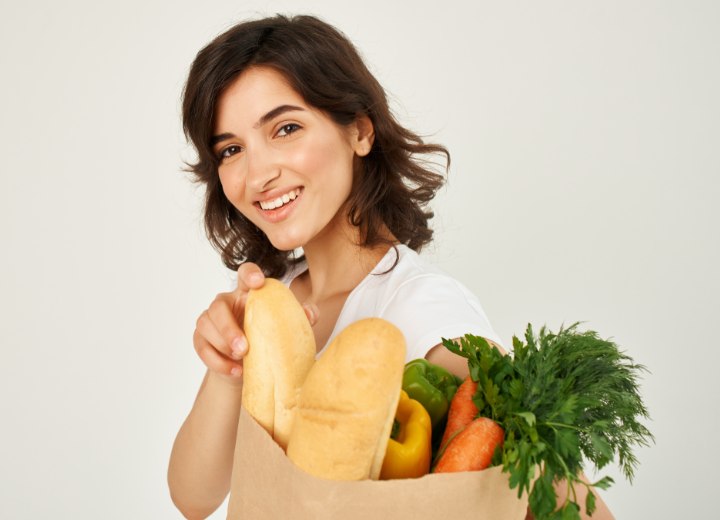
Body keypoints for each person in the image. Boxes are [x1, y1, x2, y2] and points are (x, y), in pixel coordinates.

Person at [167, 14, 613, 520]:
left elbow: (573, 502)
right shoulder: (275, 299)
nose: (258, 174)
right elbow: (194, 497)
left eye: (286, 128)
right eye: (231, 149)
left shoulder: (422, 307)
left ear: (359, 131)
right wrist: (227, 370)